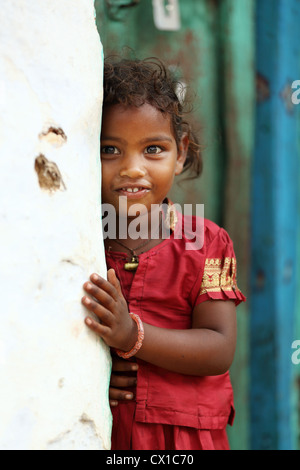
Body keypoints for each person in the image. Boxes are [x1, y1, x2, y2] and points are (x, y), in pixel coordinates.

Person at [81, 58, 246, 450]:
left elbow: (219, 347)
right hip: (111, 432)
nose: (132, 169)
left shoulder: (207, 242)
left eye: (153, 148)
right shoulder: (82, 243)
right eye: (109, 149)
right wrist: (96, 373)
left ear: (181, 152)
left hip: (186, 439)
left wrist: (131, 335)